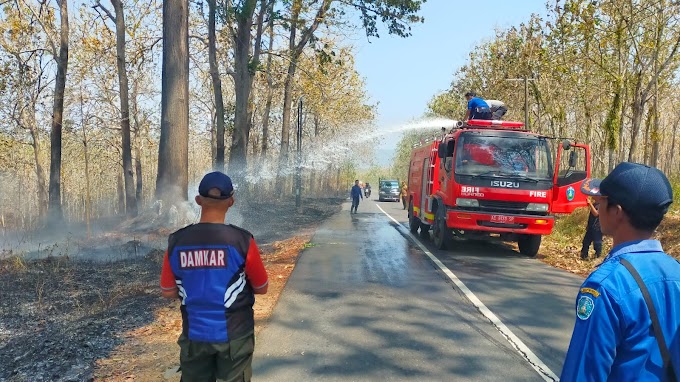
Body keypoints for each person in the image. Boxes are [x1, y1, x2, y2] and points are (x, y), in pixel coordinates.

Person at [561, 162, 680, 381]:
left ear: (617, 212)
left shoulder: (606, 285)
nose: (597, 205)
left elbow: (584, 372)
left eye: (601, 200)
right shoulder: (675, 272)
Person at [160, 171, 269, 382]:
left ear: (198, 200)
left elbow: (168, 291)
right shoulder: (242, 240)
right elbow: (262, 287)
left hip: (195, 335)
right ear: (231, 202)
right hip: (235, 336)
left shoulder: (177, 241)